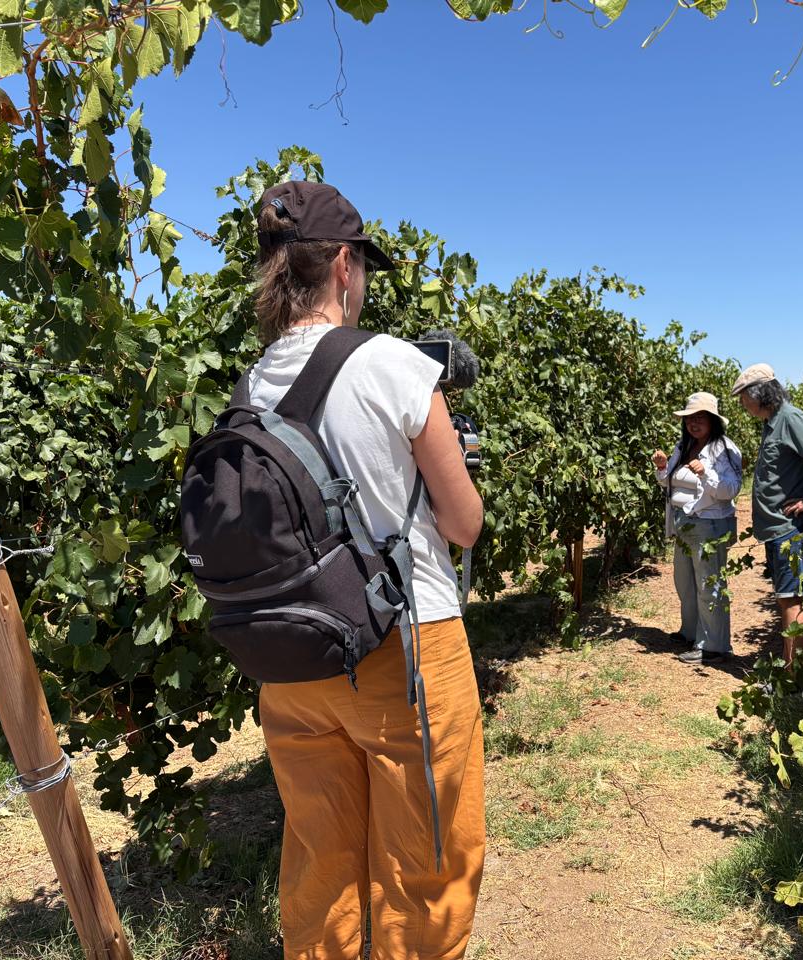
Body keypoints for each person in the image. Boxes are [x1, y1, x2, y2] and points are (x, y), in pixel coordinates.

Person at [245, 181, 485, 960]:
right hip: (402, 652)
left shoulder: (254, 381)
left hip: (291, 657)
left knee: (322, 865)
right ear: (344, 266)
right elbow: (463, 523)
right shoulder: (393, 365)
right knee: (426, 866)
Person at [731, 363, 803, 667]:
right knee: (785, 597)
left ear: (759, 394)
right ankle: (790, 669)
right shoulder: (771, 423)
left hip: (789, 529)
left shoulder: (790, 417)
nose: (742, 405)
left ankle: (793, 676)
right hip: (777, 530)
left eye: (743, 398)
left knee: (793, 599)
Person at [652, 392, 743, 665]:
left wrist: (706, 472)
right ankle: (690, 631)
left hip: (710, 524)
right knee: (685, 582)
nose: (694, 422)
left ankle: (713, 645)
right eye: (690, 418)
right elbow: (669, 483)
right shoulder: (684, 444)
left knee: (709, 584)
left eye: (700, 417)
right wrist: (661, 468)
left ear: (713, 421)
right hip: (684, 524)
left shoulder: (725, 449)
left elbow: (730, 489)